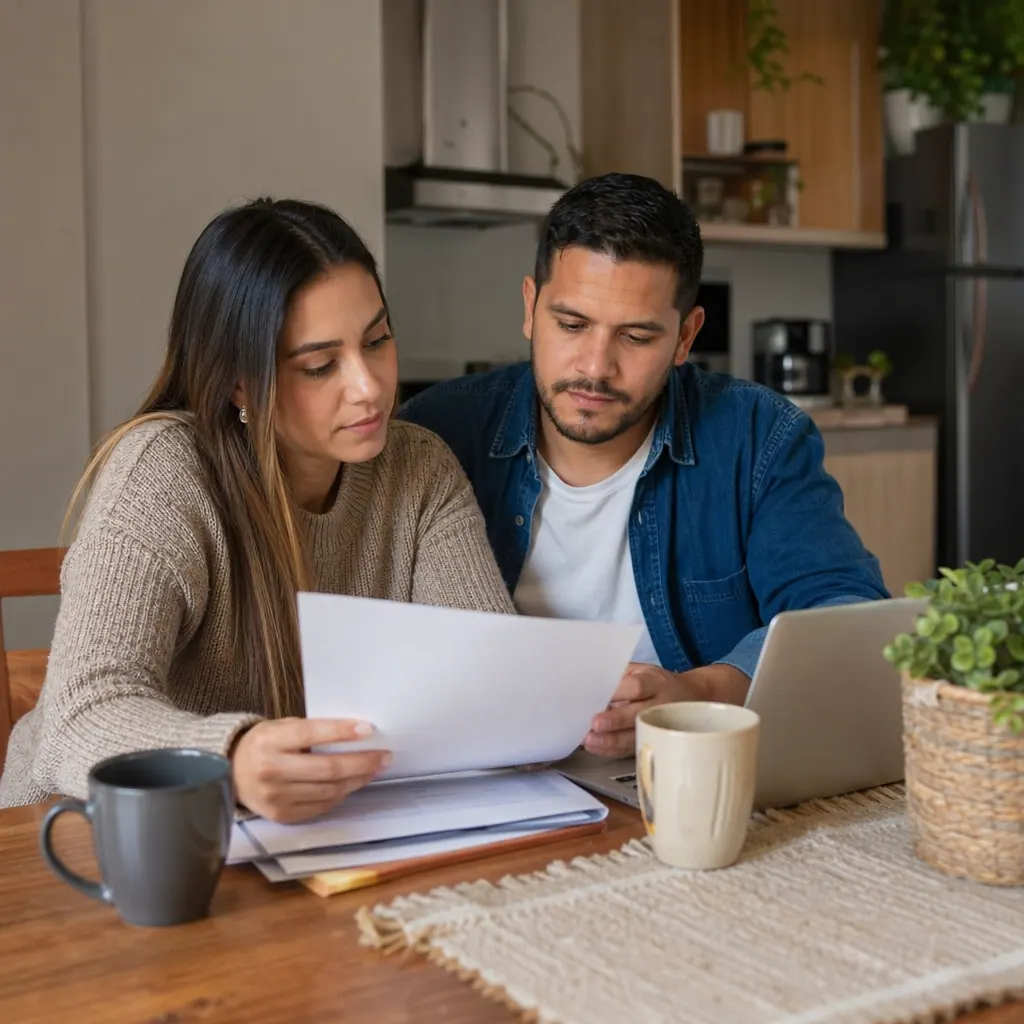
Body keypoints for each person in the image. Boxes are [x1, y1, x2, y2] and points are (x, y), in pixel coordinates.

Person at [0, 199, 514, 821]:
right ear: (240, 382)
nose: (370, 386)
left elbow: (491, 670)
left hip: (293, 835)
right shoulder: (163, 472)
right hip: (73, 836)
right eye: (320, 366)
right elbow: (81, 714)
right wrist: (231, 756)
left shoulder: (419, 467)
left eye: (377, 340)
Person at [399, 173, 889, 760]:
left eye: (635, 336)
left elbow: (844, 613)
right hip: (492, 772)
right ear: (530, 307)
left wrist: (702, 692)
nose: (596, 367)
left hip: (683, 765)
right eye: (572, 324)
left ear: (685, 338)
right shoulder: (436, 435)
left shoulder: (759, 437)